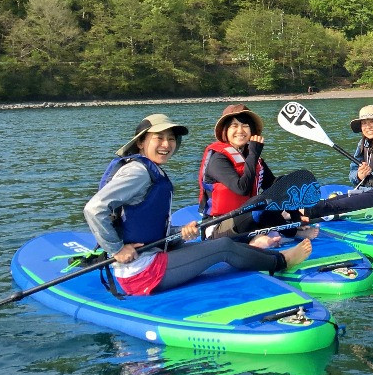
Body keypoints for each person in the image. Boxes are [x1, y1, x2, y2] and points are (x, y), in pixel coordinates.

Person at [83, 113, 311, 296]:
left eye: (171, 139)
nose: (166, 144)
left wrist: (179, 233)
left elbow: (142, 224)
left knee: (223, 245)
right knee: (223, 247)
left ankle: (269, 254)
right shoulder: (139, 171)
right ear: (141, 142)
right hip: (143, 271)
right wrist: (117, 249)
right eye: (158, 138)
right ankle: (281, 261)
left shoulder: (148, 170)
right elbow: (94, 209)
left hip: (152, 255)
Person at [200, 104, 373, 243]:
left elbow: (276, 186)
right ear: (225, 131)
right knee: (261, 202)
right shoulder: (218, 159)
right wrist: (254, 153)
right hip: (219, 226)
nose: (240, 130)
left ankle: (286, 229)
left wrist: (296, 212)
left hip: (247, 218)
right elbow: (242, 188)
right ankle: (270, 237)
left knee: (286, 184)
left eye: (245, 125)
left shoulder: (252, 158)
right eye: (234, 126)